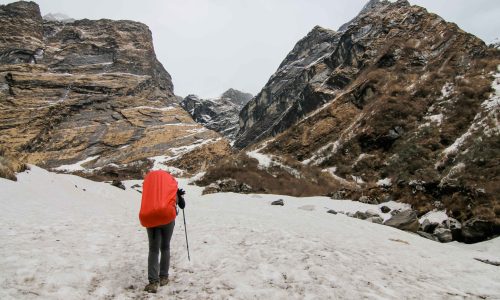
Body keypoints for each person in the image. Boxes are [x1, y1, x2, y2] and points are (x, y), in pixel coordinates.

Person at [139, 170, 186, 293]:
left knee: (153, 250)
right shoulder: (171, 189)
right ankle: (163, 277)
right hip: (167, 219)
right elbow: (182, 205)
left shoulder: (150, 189)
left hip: (151, 218)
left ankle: (153, 282)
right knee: (165, 247)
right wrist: (179, 195)